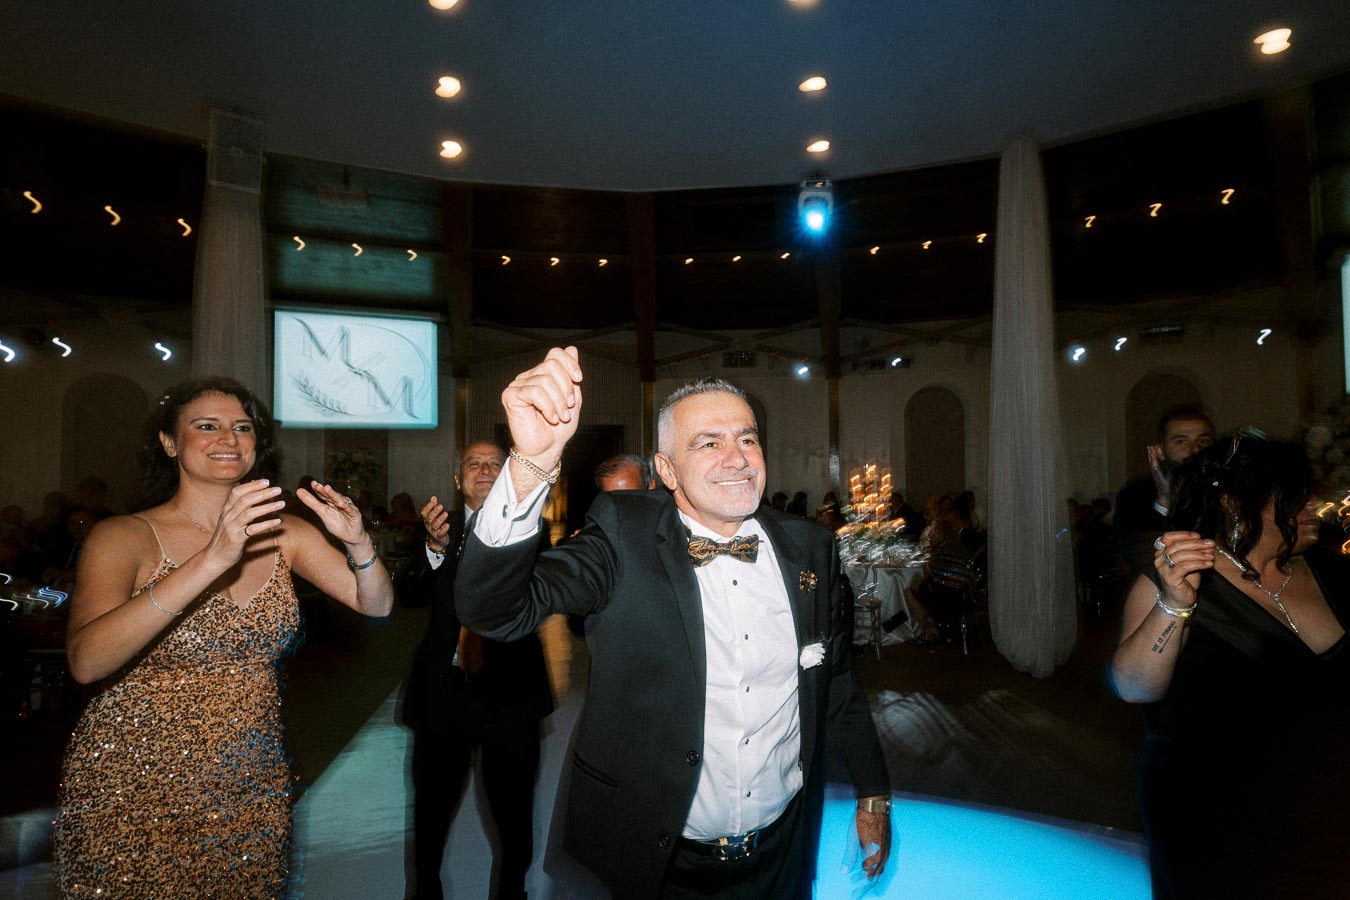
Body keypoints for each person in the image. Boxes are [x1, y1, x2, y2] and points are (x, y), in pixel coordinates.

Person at [455, 347, 893, 899]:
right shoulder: (622, 535)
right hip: (658, 861)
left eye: (747, 438)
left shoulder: (810, 549)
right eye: (708, 443)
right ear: (665, 469)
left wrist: (873, 793)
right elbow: (493, 610)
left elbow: (838, 685)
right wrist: (529, 465)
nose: (736, 458)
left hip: (783, 853)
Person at [52, 377, 394, 896]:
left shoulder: (284, 533)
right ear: (170, 443)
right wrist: (214, 556)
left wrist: (360, 544)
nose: (228, 439)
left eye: (242, 427)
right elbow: (85, 661)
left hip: (248, 777)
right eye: (207, 426)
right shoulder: (122, 535)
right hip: (135, 783)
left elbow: (377, 603)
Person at [1110, 434, 1349, 898]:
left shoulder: (1329, 568)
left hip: (1324, 815)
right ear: (1235, 502)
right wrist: (1175, 604)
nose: (1314, 505)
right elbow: (1133, 686)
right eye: (1296, 495)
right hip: (1214, 818)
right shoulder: (1182, 576)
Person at [401, 441, 553, 900]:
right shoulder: (435, 527)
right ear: (457, 478)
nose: (485, 470)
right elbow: (406, 595)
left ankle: (512, 893)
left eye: (494, 464)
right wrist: (434, 547)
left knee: (514, 816)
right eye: (474, 464)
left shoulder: (533, 529)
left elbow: (536, 591)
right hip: (443, 696)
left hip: (511, 694)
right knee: (430, 813)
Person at [1114, 404, 1215, 577]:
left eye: (1203, 441)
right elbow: (1132, 551)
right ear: (1160, 451)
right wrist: (1164, 502)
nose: (1195, 450)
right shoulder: (1135, 494)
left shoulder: (1226, 492)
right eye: (1181, 441)